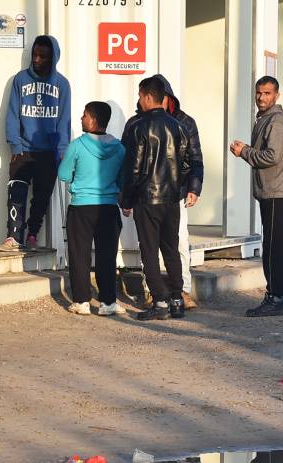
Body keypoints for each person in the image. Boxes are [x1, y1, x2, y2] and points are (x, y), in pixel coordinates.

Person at [121, 76, 192, 321]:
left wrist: (126, 198)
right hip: (172, 199)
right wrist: (177, 186)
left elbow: (134, 168)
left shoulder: (139, 127)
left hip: (147, 198)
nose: (139, 101)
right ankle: (176, 299)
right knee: (171, 250)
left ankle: (159, 301)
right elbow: (186, 164)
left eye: (140, 96)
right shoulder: (179, 126)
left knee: (149, 251)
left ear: (148, 97)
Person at [230, 76, 283, 317]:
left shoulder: (276, 121)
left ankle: (278, 298)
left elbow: (272, 157)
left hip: (277, 192)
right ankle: (279, 296)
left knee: (273, 247)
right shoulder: (266, 119)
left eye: (267, 93)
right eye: (259, 93)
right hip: (272, 191)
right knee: (272, 246)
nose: (261, 97)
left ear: (277, 96)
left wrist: (244, 152)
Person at [1, 35, 71, 251]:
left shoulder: (62, 84)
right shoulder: (20, 80)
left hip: (49, 152)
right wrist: (16, 146)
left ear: (53, 58)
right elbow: (12, 114)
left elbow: (64, 119)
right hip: (23, 148)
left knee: (41, 198)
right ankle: (14, 236)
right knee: (17, 193)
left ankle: (32, 234)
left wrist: (61, 151)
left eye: (43, 56)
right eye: (35, 54)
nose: (37, 59)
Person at [57, 101, 127, 316]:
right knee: (107, 255)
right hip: (108, 207)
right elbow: (123, 179)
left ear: (94, 120)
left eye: (85, 115)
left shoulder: (77, 145)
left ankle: (81, 301)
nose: (81, 118)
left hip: (81, 207)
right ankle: (108, 303)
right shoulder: (119, 148)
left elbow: (64, 175)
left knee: (80, 254)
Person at [154, 74, 204, 310]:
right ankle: (152, 290)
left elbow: (195, 158)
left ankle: (183, 290)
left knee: (180, 241)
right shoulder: (139, 121)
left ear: (168, 99)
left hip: (178, 192)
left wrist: (194, 188)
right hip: (149, 194)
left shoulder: (186, 122)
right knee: (150, 244)